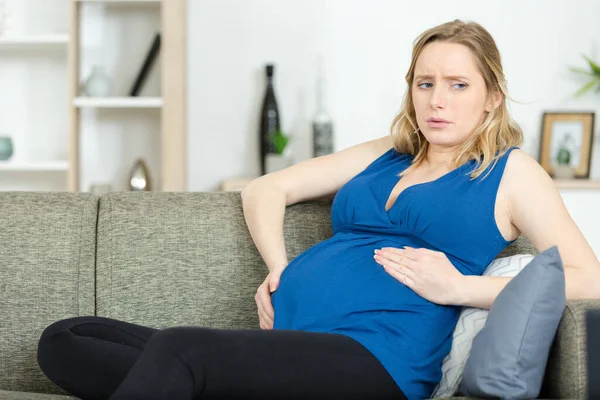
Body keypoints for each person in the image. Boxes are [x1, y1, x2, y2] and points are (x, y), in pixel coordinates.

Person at [36, 19, 600, 400]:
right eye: (425, 83)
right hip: (288, 340)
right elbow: (266, 188)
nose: (437, 100)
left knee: (180, 350)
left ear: (492, 97)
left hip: (377, 359)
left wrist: (462, 289)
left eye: (457, 85)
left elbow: (587, 276)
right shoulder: (387, 153)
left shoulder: (510, 172)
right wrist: (281, 270)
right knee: (66, 339)